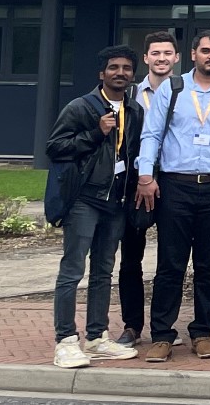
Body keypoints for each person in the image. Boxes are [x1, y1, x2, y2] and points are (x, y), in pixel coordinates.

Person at [134, 29, 210, 362]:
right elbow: (151, 135)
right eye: (206, 50)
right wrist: (146, 175)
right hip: (175, 185)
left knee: (209, 265)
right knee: (169, 265)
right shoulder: (172, 89)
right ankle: (162, 335)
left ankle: (202, 332)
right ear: (192, 54)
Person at [47, 45, 145, 368]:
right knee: (73, 270)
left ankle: (97, 336)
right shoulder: (81, 107)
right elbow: (55, 147)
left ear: (133, 74)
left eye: (126, 68)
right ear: (101, 73)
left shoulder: (135, 111)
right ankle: (64, 340)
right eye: (114, 67)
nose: (121, 73)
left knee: (104, 271)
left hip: (115, 203)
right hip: (85, 200)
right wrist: (94, 133)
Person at [116, 30, 177, 347]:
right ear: (146, 58)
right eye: (156, 53)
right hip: (135, 183)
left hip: (172, 182)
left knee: (171, 260)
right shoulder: (129, 95)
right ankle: (131, 325)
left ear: (176, 58)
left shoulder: (186, 92)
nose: (162, 58)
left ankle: (164, 328)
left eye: (168, 53)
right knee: (131, 259)